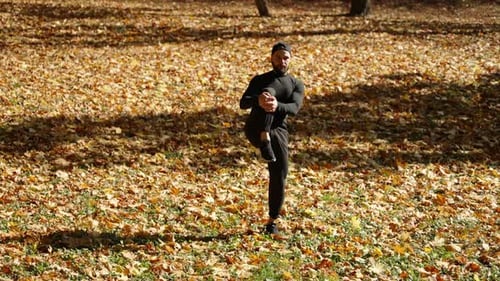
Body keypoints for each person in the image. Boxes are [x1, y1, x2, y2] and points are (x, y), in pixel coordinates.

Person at [239, 42, 305, 234]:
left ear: (290, 59)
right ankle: (263, 136)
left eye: (286, 57)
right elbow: (243, 103)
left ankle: (271, 221)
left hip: (278, 130)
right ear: (271, 58)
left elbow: (294, 108)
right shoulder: (260, 79)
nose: (282, 61)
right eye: (278, 57)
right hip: (256, 126)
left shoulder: (295, 84)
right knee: (267, 93)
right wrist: (258, 100)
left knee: (280, 173)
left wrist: (278, 106)